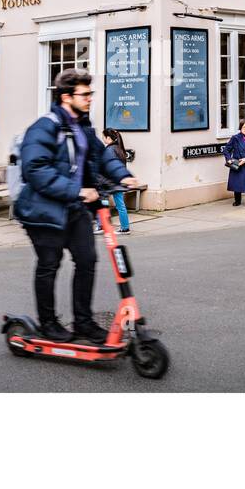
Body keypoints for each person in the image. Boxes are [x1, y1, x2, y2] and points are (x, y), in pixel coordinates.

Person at [15, 69, 145, 344]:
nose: (89, 99)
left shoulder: (83, 127)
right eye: (84, 94)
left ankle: (83, 322)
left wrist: (123, 175)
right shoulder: (44, 127)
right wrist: (77, 189)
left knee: (87, 261)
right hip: (43, 211)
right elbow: (35, 169)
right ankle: (48, 324)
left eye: (90, 93)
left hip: (75, 208)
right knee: (49, 264)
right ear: (66, 97)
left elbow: (102, 157)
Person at [97, 128, 132, 234]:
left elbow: (108, 166)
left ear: (108, 138)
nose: (102, 139)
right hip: (118, 181)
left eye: (103, 137)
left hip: (109, 182)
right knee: (120, 205)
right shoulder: (119, 149)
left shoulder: (109, 150)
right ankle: (125, 227)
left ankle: (102, 226)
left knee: (102, 203)